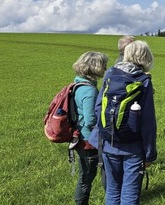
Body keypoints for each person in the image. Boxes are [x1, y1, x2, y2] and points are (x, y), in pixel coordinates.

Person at [89, 40, 157, 204]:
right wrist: (149, 153)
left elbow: (98, 108)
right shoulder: (143, 80)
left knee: (112, 192)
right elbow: (147, 121)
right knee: (130, 195)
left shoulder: (110, 74)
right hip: (133, 146)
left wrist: (103, 135)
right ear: (146, 57)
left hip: (108, 143)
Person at [72, 51, 108, 205]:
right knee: (86, 179)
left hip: (81, 137)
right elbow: (90, 120)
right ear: (95, 68)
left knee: (85, 177)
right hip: (89, 141)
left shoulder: (77, 83)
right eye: (103, 66)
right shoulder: (89, 90)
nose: (105, 69)